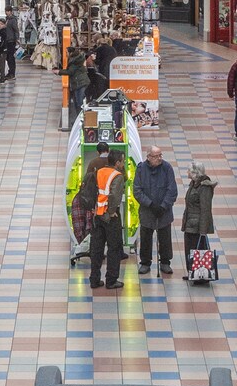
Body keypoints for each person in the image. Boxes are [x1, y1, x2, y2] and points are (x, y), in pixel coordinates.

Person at [133, 145, 179, 277]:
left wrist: (164, 206)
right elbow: (137, 190)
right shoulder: (141, 169)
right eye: (156, 156)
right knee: (146, 238)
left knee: (165, 238)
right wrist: (150, 204)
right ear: (148, 157)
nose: (159, 158)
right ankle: (145, 262)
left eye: (160, 155)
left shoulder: (167, 168)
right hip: (147, 211)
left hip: (164, 212)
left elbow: (172, 190)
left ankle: (165, 262)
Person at [87, 149, 127, 290]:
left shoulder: (99, 172)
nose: (123, 164)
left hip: (97, 215)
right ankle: (111, 280)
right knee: (114, 248)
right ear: (117, 163)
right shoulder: (117, 176)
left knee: (96, 249)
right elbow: (114, 196)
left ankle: (94, 279)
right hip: (110, 217)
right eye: (122, 161)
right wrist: (111, 212)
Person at [180, 161, 215, 257]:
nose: (187, 172)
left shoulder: (204, 187)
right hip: (190, 226)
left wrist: (203, 231)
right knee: (189, 255)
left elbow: (205, 209)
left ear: (195, 173)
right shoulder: (193, 184)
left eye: (188, 171)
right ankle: (190, 267)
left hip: (197, 229)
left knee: (197, 256)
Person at [64, 41, 89, 122]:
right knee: (79, 101)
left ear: (70, 53)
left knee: (79, 101)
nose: (65, 54)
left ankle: (81, 118)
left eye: (66, 52)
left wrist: (59, 72)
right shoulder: (77, 59)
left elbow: (70, 71)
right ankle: (80, 118)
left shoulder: (74, 61)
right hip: (80, 82)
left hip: (79, 83)